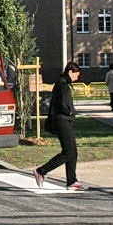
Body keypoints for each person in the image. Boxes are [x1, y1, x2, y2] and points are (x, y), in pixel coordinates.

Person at [35, 61, 85, 191]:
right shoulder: (63, 84)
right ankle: (41, 171)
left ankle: (72, 181)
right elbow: (63, 103)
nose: (77, 78)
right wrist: (70, 112)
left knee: (72, 151)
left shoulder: (62, 82)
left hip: (63, 119)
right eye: (76, 75)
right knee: (68, 151)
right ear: (70, 72)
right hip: (62, 120)